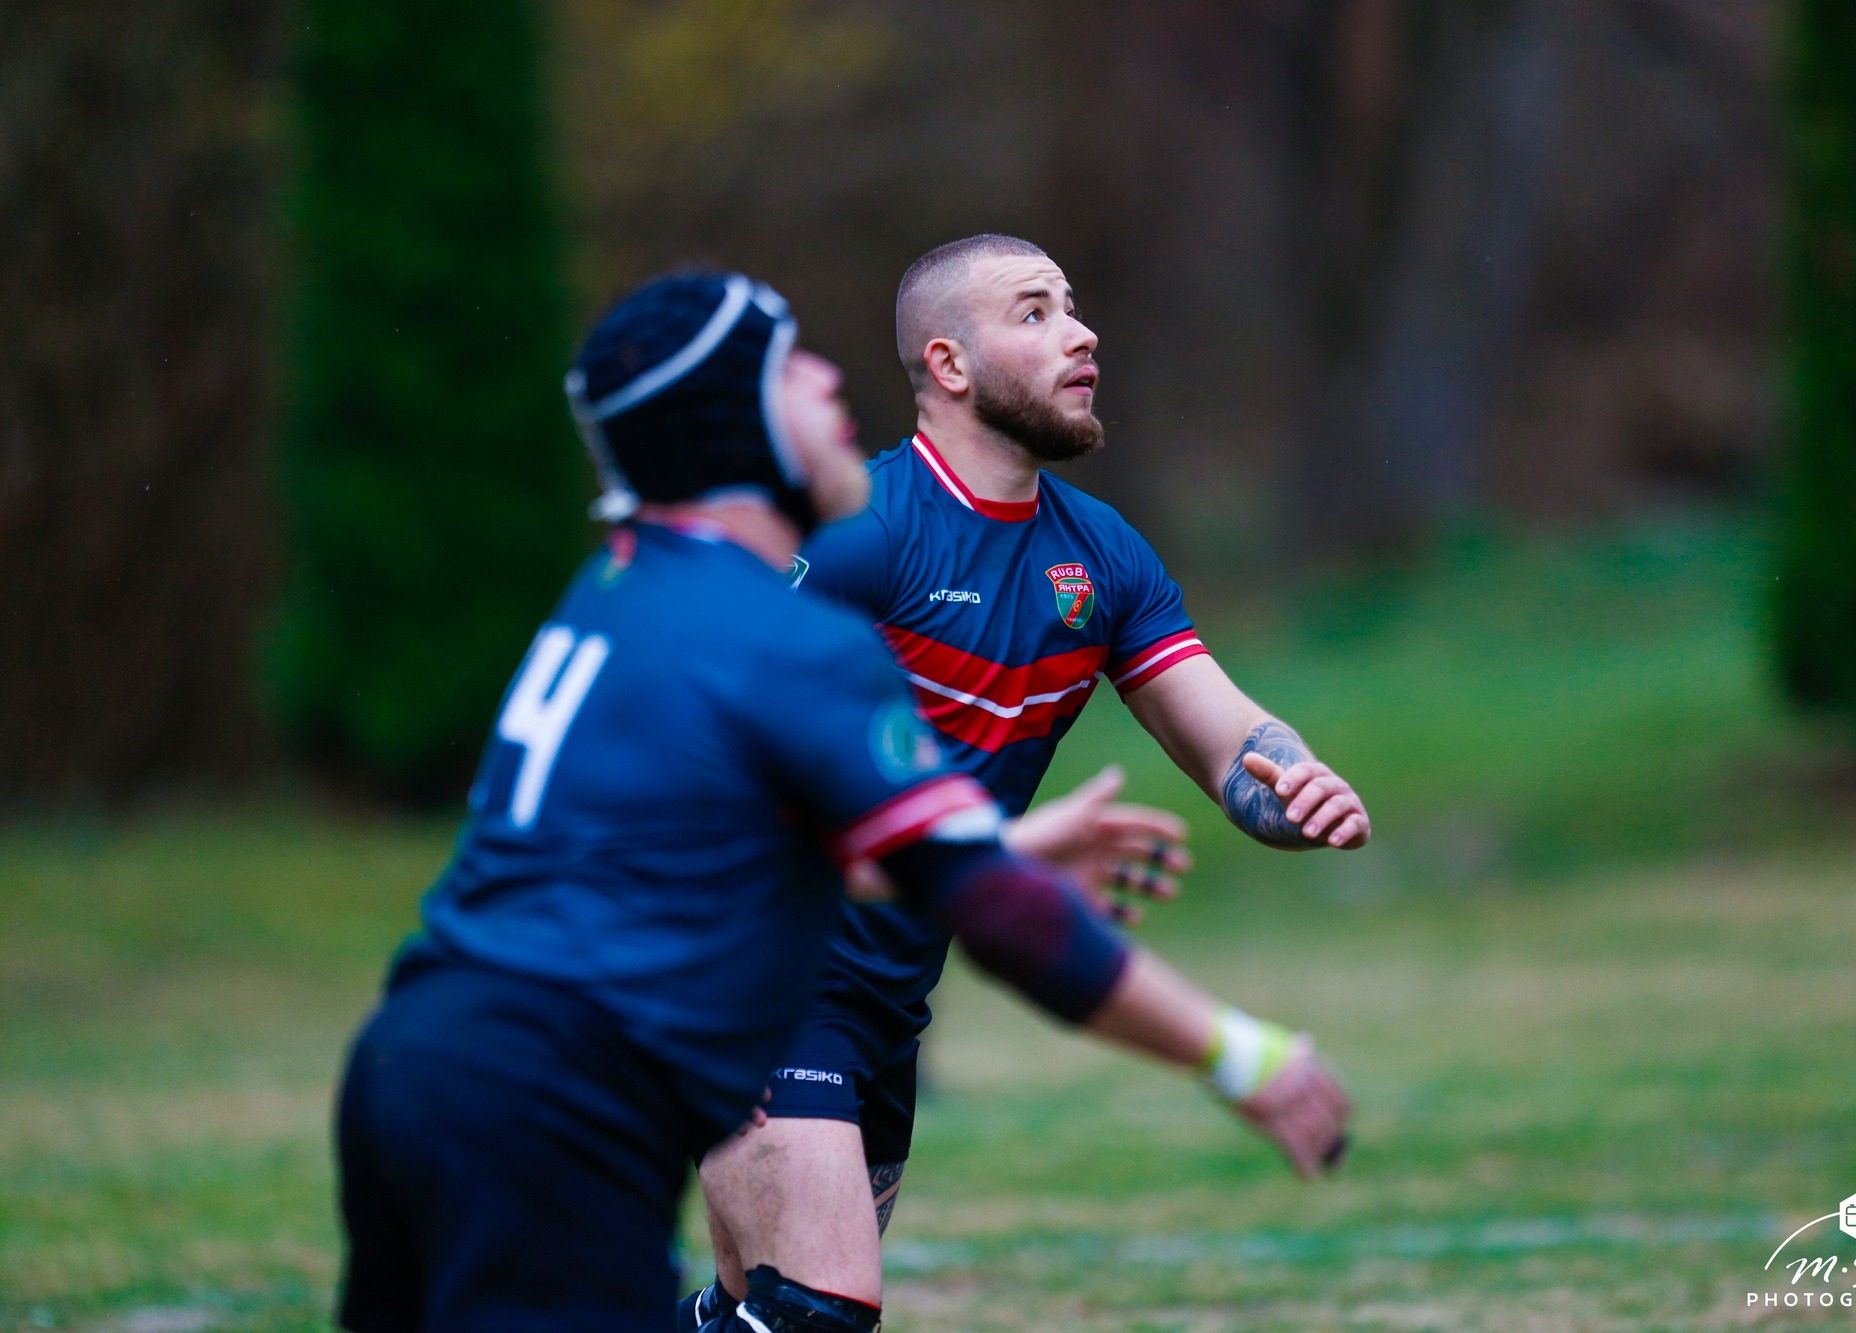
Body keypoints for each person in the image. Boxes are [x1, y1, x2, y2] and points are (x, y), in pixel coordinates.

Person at [333, 271, 1351, 1333]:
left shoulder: (628, 584)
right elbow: (994, 911)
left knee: (768, 1307)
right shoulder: (782, 630)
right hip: (560, 1074)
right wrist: (1236, 1053)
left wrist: (983, 848)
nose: (829, 377)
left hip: (427, 1047)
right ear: (731, 425)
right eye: (787, 368)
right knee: (816, 1306)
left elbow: (734, 834)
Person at [691, 235, 1372, 1326]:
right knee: (820, 1307)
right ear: (950, 364)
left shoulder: (1100, 556)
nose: (1081, 333)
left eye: (1074, 306)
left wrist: (1295, 785)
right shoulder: (862, 535)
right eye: (1035, 312)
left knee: (749, 1313)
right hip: (760, 965)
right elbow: (708, 736)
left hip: (887, 994)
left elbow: (1227, 737)